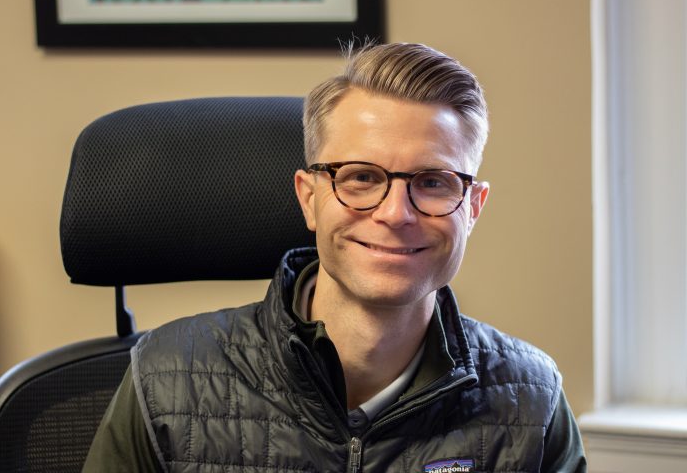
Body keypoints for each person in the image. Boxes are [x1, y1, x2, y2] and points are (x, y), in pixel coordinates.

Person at [83, 42, 586, 472]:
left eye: (433, 182)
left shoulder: (530, 401)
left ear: (472, 208)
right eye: (361, 177)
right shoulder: (166, 380)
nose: (396, 213)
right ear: (308, 198)